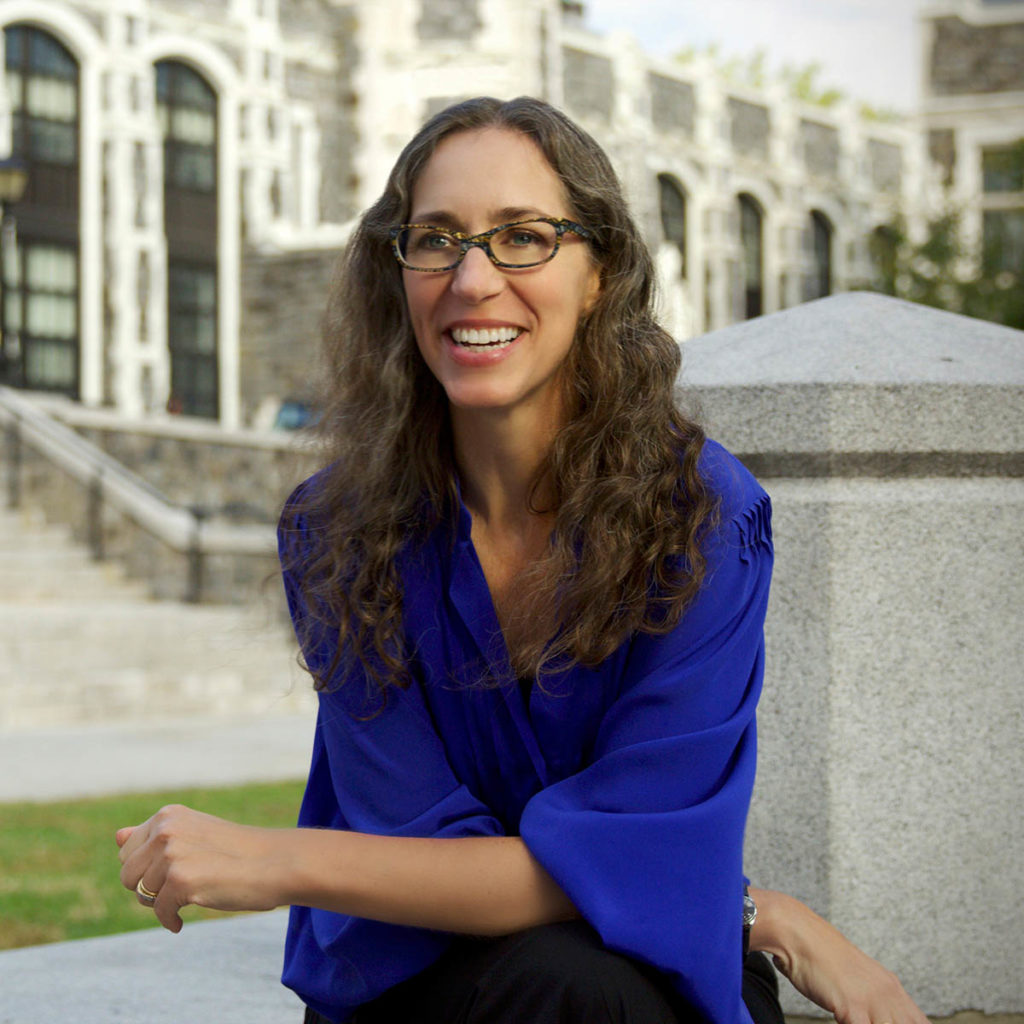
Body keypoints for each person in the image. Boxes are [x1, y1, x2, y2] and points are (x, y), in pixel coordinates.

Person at [117, 97, 928, 1024]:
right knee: (558, 979)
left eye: (523, 238)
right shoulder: (339, 529)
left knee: (579, 984)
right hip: (419, 973)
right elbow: (425, 840)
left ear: (599, 277)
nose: (473, 280)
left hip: (643, 974)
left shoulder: (702, 517)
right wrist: (752, 908)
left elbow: (638, 857)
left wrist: (276, 859)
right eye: (437, 239)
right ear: (399, 273)